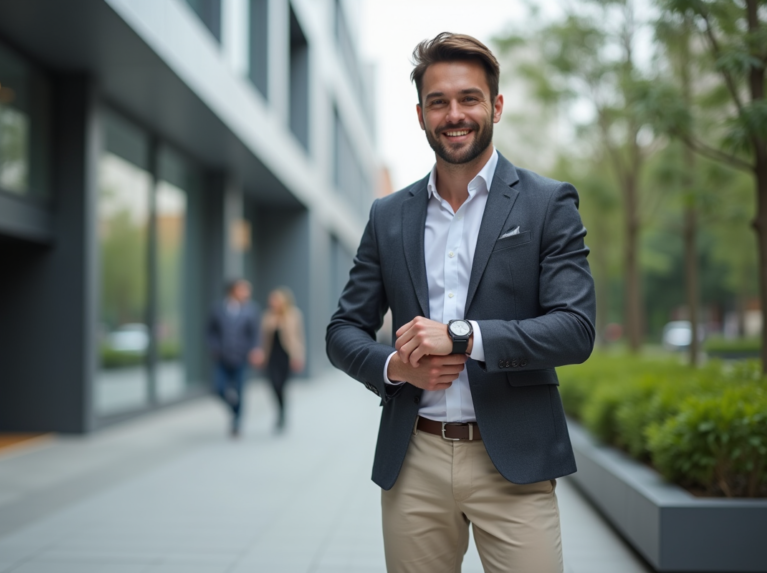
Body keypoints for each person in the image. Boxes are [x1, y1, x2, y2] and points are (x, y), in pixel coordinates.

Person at [326, 32, 596, 573]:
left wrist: (463, 336)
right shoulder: (388, 216)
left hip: (516, 463)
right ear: (421, 114)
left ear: (495, 105)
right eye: (439, 102)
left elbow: (575, 329)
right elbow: (342, 330)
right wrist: (395, 367)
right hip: (415, 460)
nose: (455, 114)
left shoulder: (547, 202)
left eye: (469, 98)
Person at [207, 279, 261, 437]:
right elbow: (210, 331)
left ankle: (237, 422)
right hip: (222, 358)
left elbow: (255, 333)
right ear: (233, 291)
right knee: (218, 389)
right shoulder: (217, 308)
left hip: (241, 357)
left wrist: (255, 350)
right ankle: (234, 408)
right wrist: (214, 347)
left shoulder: (251, 310)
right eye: (243, 290)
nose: (246, 293)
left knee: (239, 390)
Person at [257, 287, 305, 431]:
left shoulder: (294, 314)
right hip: (271, 356)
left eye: (275, 299)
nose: (272, 302)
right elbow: (262, 339)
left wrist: (299, 356)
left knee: (282, 385)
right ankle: (279, 411)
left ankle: (282, 413)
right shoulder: (267, 316)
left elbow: (299, 337)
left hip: (286, 356)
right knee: (273, 384)